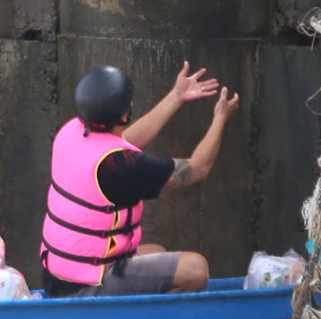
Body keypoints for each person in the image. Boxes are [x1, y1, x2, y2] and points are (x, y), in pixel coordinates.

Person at [40, 64, 238, 298]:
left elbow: (125, 140)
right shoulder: (122, 168)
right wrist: (220, 118)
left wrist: (176, 96)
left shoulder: (71, 132)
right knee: (195, 269)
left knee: (157, 251)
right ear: (124, 114)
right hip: (85, 286)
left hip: (57, 276)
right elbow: (198, 168)